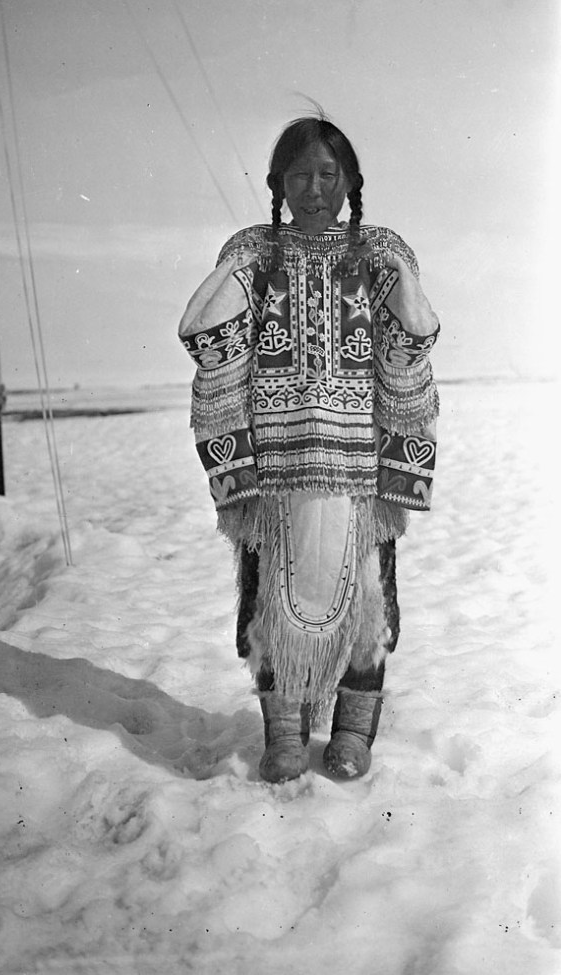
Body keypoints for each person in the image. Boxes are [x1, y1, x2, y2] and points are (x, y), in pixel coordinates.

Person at [179, 116, 439, 783]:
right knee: (270, 603)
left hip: (356, 473)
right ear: (278, 184)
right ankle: (285, 734)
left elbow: (405, 361)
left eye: (329, 174)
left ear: (352, 180)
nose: (315, 189)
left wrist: (398, 467)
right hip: (275, 472)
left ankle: (353, 731)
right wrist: (234, 472)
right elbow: (219, 363)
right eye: (299, 175)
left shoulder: (380, 253)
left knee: (367, 604)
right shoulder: (251, 254)